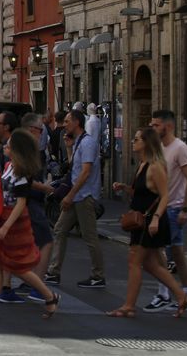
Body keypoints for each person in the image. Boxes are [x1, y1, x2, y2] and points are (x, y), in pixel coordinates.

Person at [0, 129, 60, 319]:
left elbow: (21, 203)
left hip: (13, 222)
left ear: (17, 150)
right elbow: (1, 186)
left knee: (16, 266)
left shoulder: (21, 173)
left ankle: (49, 296)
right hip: (3, 218)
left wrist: (5, 227)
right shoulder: (10, 166)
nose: (5, 147)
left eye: (9, 146)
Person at [108, 127, 187, 318]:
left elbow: (164, 196)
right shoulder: (143, 165)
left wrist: (155, 219)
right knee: (151, 265)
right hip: (143, 220)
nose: (133, 142)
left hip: (150, 222)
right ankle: (182, 296)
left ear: (146, 143)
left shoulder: (155, 166)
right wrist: (125, 188)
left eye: (137, 139)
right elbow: (144, 193)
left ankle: (128, 306)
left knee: (134, 262)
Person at [144, 110, 187, 313]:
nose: (153, 128)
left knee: (158, 251)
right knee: (177, 252)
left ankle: (164, 294)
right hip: (164, 207)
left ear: (168, 126)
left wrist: (185, 208)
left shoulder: (180, 148)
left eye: (156, 125)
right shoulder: (158, 148)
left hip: (174, 208)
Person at [45, 109, 106, 288]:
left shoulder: (88, 143)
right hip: (76, 196)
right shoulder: (79, 142)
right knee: (59, 229)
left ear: (77, 123)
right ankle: (53, 272)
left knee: (90, 236)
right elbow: (75, 169)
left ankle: (98, 275)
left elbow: (85, 172)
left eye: (67, 121)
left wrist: (70, 195)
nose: (64, 125)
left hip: (84, 196)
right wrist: (70, 148)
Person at [18, 113, 55, 302]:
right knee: (46, 242)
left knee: (27, 244)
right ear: (32, 130)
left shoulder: (20, 145)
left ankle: (25, 282)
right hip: (31, 200)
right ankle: (38, 287)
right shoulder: (28, 147)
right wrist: (45, 187)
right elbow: (25, 177)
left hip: (25, 200)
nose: (42, 134)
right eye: (41, 130)